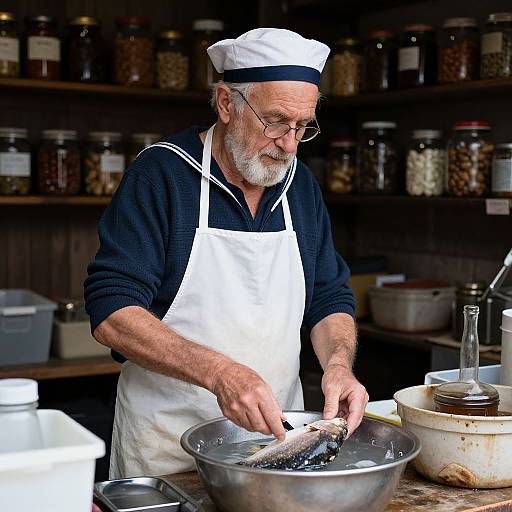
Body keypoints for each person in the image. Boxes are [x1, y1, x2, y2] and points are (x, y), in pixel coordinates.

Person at [84, 27, 368, 478]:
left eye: (302, 126)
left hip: (279, 446)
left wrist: (337, 365)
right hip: (167, 452)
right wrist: (220, 373)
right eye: (275, 121)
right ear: (226, 103)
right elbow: (112, 311)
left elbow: (329, 298)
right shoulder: (162, 175)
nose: (290, 144)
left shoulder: (300, 187)